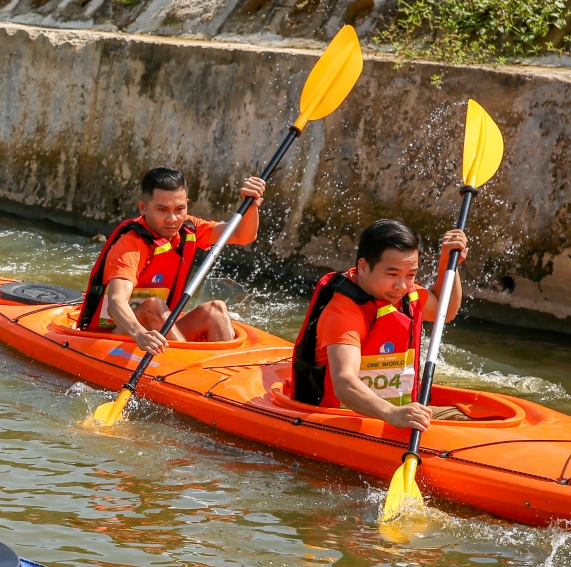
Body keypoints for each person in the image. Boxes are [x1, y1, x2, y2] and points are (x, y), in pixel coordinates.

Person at [290, 219, 469, 430]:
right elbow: (344, 383)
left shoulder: (405, 295)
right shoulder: (343, 313)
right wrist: (391, 413)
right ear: (364, 267)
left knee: (467, 418)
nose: (401, 285)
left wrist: (449, 264)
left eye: (411, 275)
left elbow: (444, 311)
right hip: (345, 420)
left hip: (397, 413)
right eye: (392, 274)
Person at [78, 167, 267, 353]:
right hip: (112, 335)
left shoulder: (188, 229)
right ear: (143, 208)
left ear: (187, 204)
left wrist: (251, 206)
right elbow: (116, 303)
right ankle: (188, 366)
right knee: (154, 306)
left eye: (179, 209)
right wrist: (140, 335)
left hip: (157, 325)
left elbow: (242, 236)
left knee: (216, 309)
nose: (172, 218)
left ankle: (221, 368)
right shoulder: (130, 245)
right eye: (162, 209)